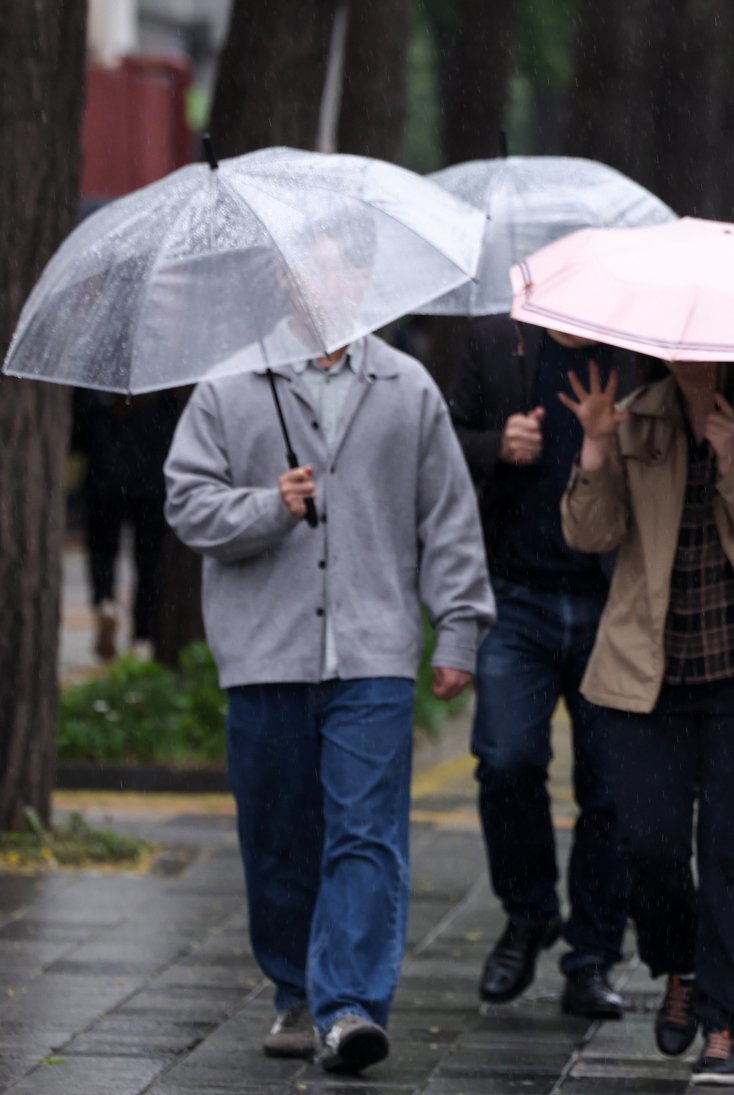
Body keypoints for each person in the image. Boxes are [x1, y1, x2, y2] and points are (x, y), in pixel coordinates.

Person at [164, 315, 494, 1075]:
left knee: (366, 832)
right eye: (315, 256)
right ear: (286, 279)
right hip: (265, 652)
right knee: (278, 835)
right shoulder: (229, 384)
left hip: (373, 651)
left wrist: (459, 629)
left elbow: (447, 515)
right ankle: (296, 985)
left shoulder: (408, 387)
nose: (330, 273)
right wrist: (265, 507)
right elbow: (186, 504)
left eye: (346, 255)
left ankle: (349, 1006)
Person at [560, 357, 734, 1086]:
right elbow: (590, 534)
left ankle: (726, 1019)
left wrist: (732, 458)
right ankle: (678, 963)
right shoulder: (635, 416)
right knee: (648, 845)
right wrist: (593, 448)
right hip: (650, 678)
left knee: (733, 857)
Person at [447, 315, 629, 1017]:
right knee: (507, 759)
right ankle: (528, 914)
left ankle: (591, 957)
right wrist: (498, 444)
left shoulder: (635, 356)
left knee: (610, 790)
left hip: (610, 601)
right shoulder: (498, 344)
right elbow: (444, 443)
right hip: (515, 596)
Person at [72, 389, 183, 661]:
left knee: (101, 551)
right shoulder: (163, 384)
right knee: (148, 562)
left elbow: (77, 440)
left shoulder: (94, 383)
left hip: (104, 479)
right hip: (151, 483)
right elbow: (173, 435)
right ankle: (142, 636)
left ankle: (105, 601)